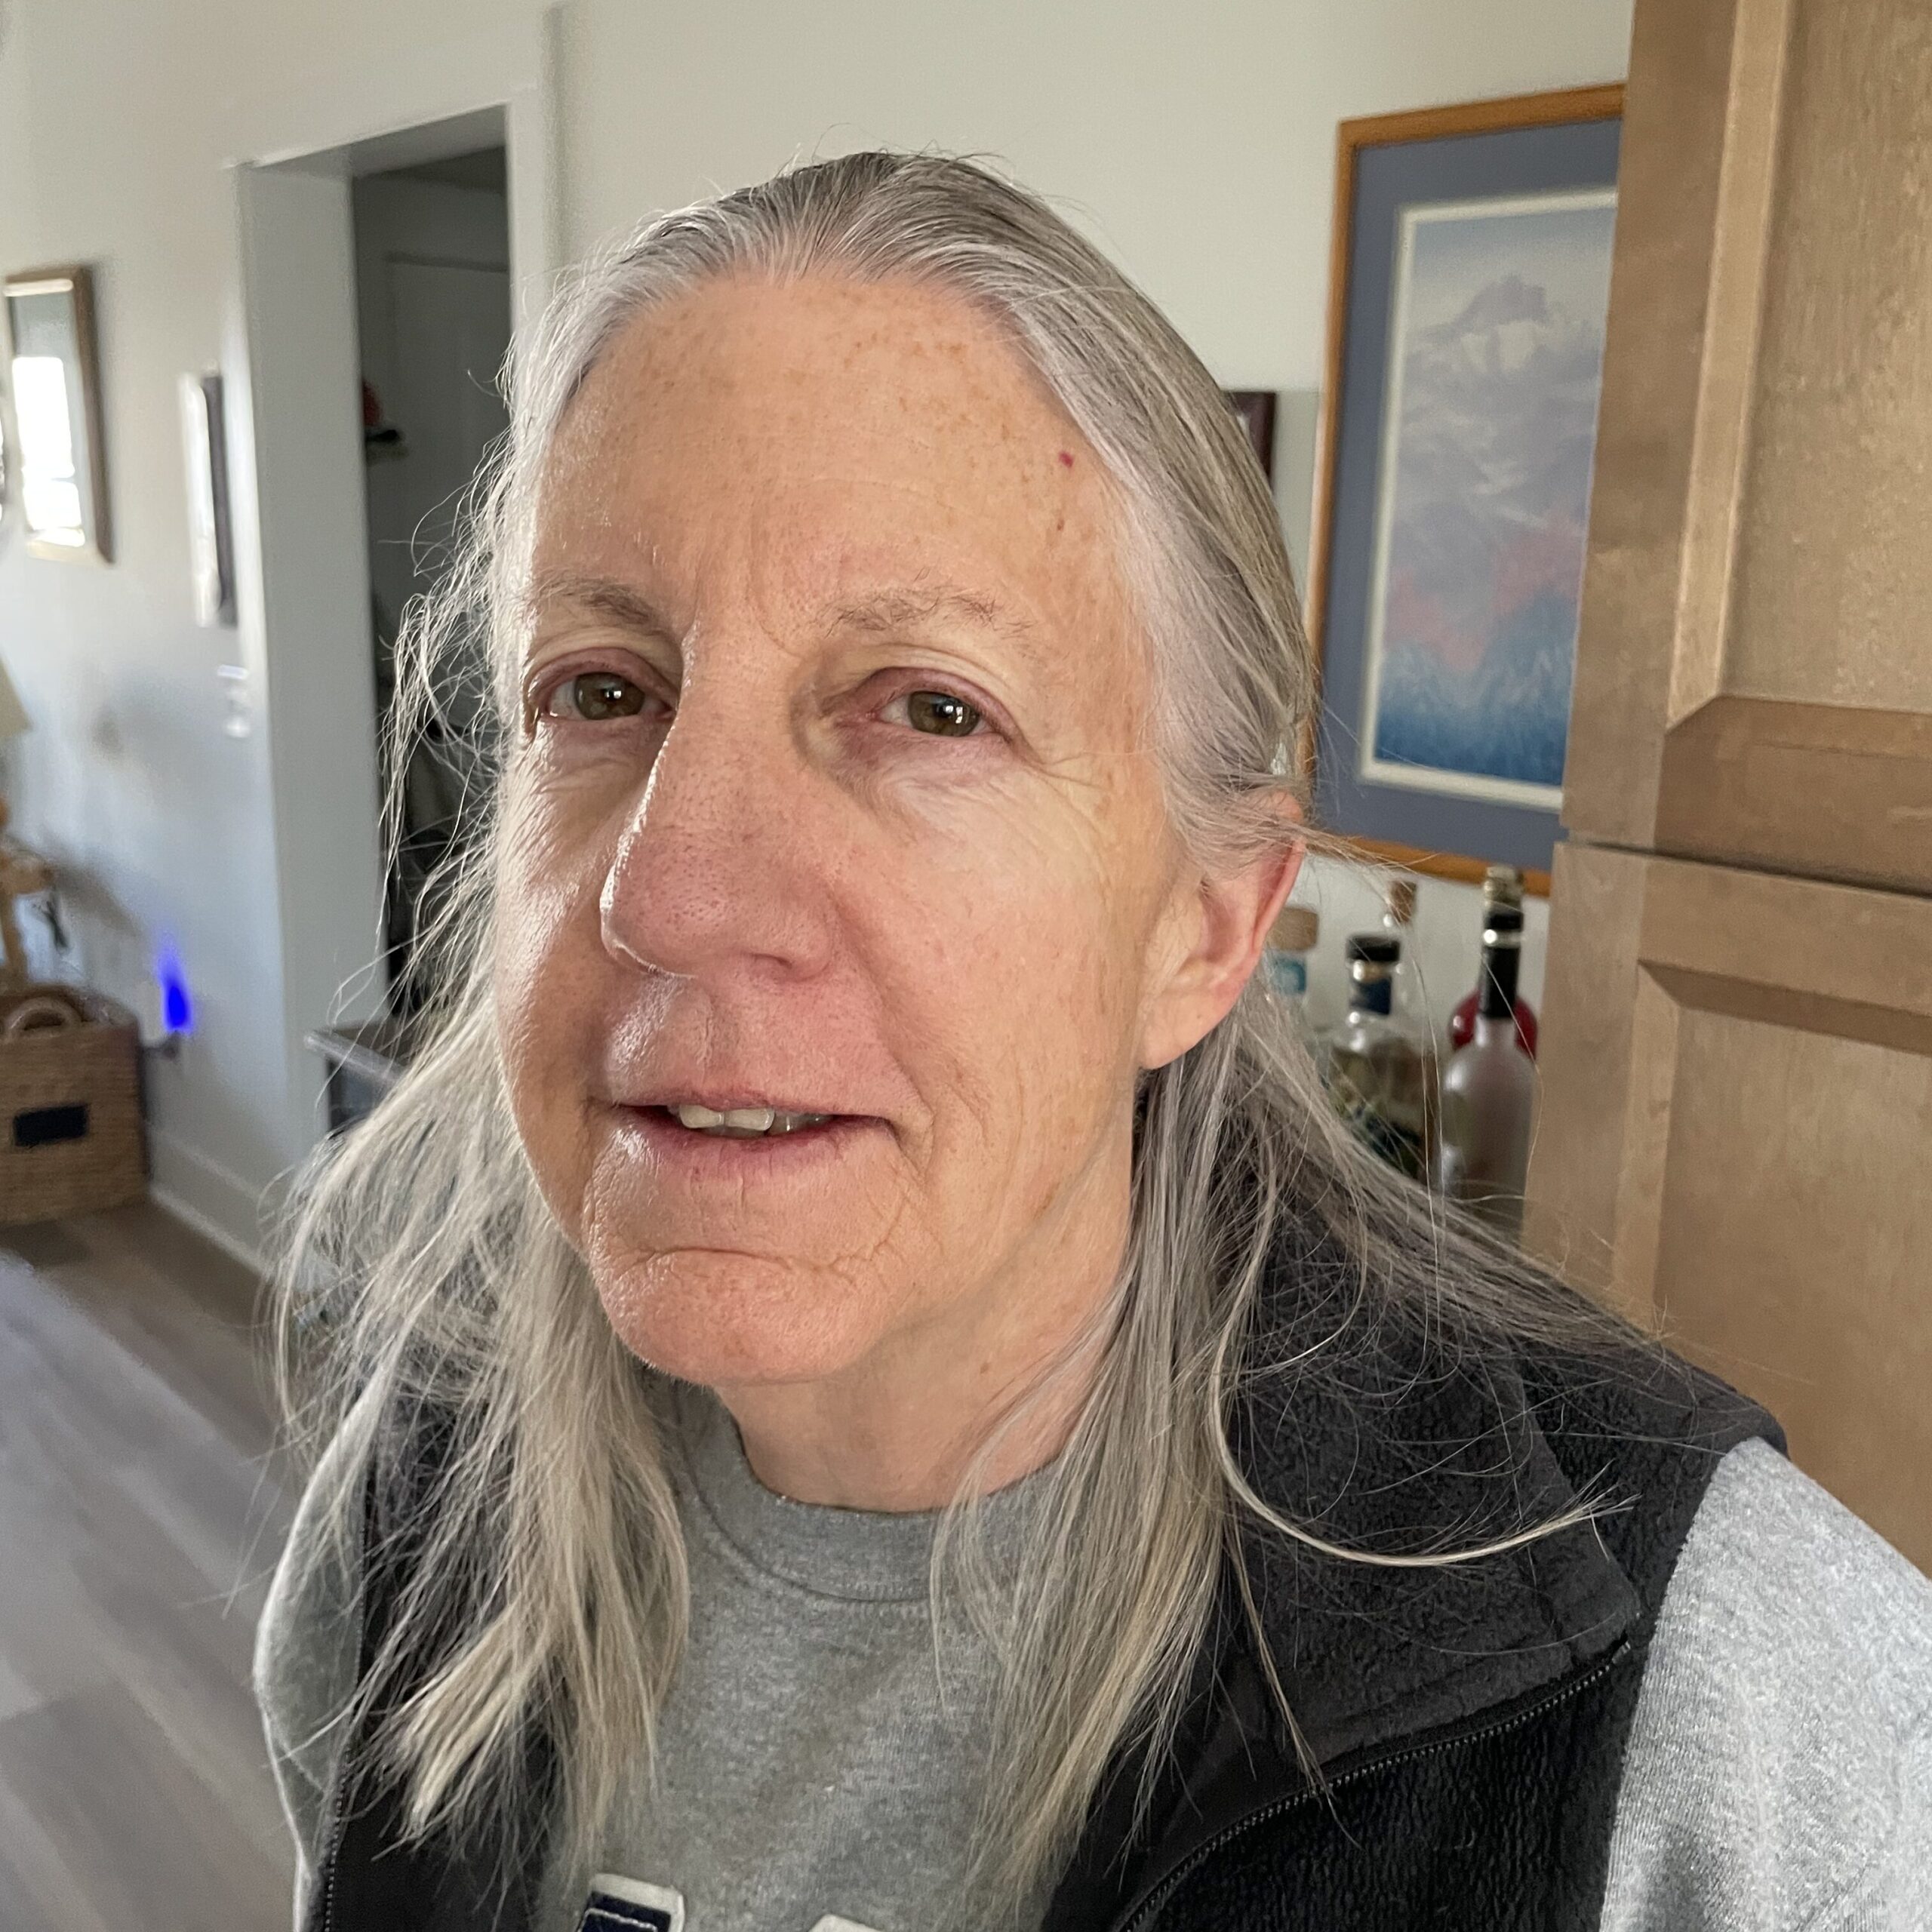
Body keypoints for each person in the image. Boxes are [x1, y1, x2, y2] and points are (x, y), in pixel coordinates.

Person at [256, 152, 1932, 1932]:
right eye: (599, 689)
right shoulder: (411, 1509)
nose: (664, 893)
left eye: (928, 708)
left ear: (1203, 923)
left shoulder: (1715, 1690)